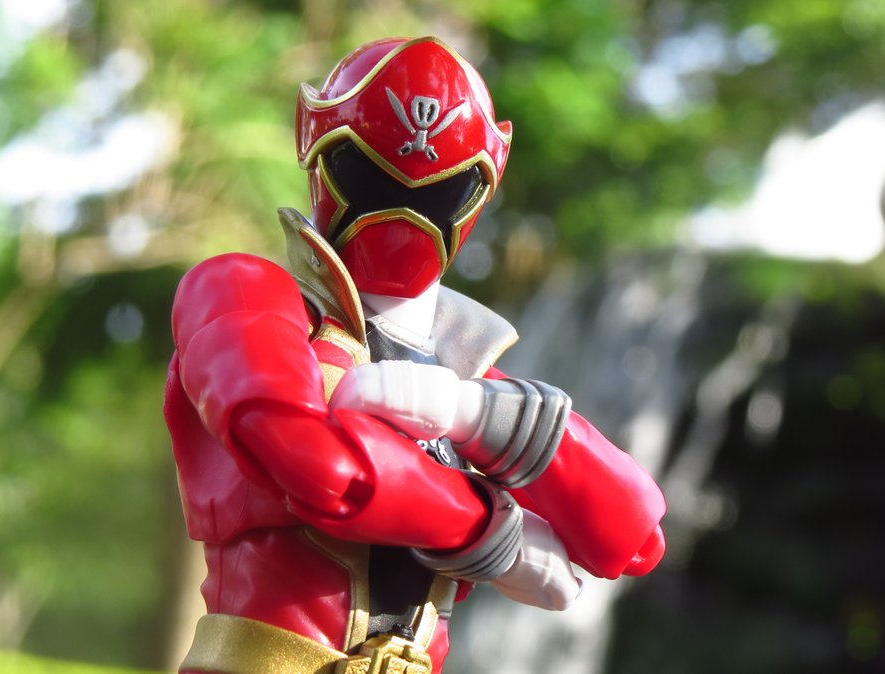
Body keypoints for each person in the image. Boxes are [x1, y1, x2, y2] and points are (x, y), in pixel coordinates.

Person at [164, 36, 666, 674]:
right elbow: (311, 460)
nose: (404, 208)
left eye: (440, 192)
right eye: (369, 175)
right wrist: (493, 534)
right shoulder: (241, 290)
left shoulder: (461, 374)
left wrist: (474, 413)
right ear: (316, 149)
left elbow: (635, 538)